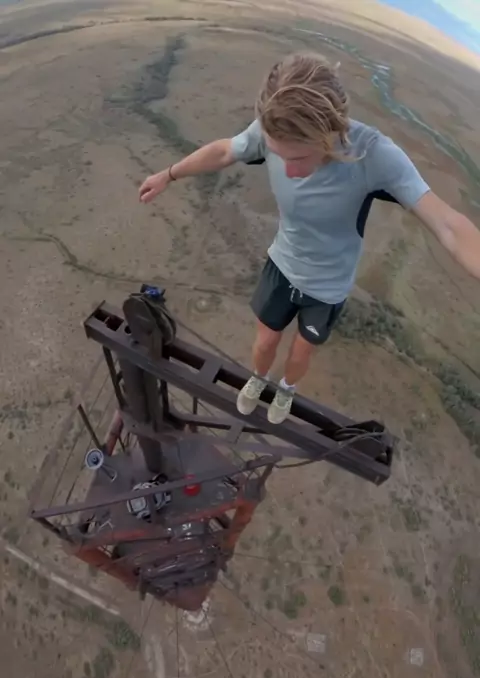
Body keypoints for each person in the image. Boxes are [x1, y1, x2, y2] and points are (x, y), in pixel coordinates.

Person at [139, 52, 480, 425]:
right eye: (277, 154)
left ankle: (286, 389)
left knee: (301, 353)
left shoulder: (373, 155)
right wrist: (169, 174)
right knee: (265, 341)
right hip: (283, 264)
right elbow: (224, 151)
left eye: (299, 158)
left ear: (331, 134)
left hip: (327, 286)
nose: (288, 171)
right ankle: (259, 379)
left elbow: (447, 223)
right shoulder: (271, 129)